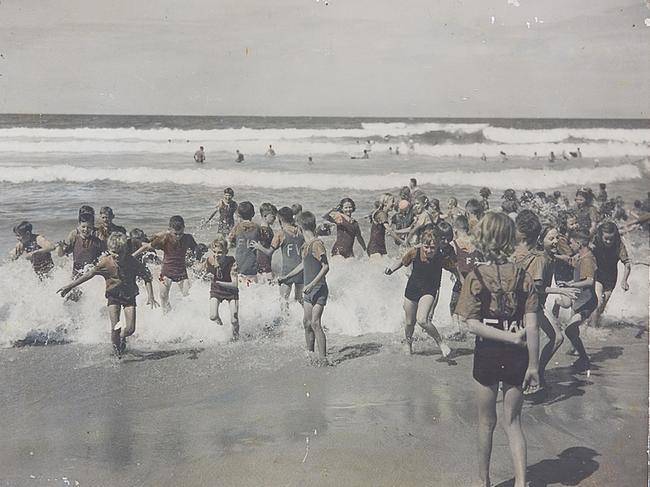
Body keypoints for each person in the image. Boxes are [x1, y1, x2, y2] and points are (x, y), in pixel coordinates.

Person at [455, 212, 540, 487]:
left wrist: (504, 336)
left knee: (485, 422)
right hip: (519, 354)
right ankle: (521, 482)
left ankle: (484, 482)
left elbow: (472, 324)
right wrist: (534, 366)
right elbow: (533, 326)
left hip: (489, 352)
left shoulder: (476, 276)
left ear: (483, 238)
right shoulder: (523, 276)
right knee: (513, 422)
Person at [57, 232, 158, 356]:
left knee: (130, 329)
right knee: (115, 328)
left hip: (129, 297)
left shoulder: (132, 262)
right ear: (109, 250)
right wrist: (69, 286)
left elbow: (147, 277)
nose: (116, 256)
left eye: (119, 253)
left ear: (126, 250)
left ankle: (121, 337)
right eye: (113, 252)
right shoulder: (105, 262)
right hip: (113, 296)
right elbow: (89, 274)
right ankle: (117, 354)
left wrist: (151, 296)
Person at [513, 211, 578, 389]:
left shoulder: (547, 256)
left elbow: (549, 256)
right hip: (529, 306)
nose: (556, 241)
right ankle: (530, 376)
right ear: (541, 241)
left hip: (535, 305)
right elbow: (537, 287)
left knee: (556, 338)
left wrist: (562, 257)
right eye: (551, 239)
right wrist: (560, 290)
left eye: (557, 237)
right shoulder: (540, 259)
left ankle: (537, 372)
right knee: (550, 339)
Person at [384, 228, 454, 357]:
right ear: (422, 244)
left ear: (437, 245)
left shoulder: (441, 256)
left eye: (432, 247)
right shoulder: (414, 252)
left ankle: (441, 343)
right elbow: (401, 261)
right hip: (413, 289)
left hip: (429, 290)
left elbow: (454, 267)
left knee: (422, 320)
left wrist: (462, 279)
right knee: (410, 322)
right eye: (426, 247)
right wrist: (391, 269)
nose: (429, 250)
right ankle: (408, 344)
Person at [278, 211, 330, 364]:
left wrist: (312, 284)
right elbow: (303, 265)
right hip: (309, 290)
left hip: (318, 288)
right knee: (306, 323)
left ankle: (323, 358)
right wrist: (286, 277)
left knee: (315, 323)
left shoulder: (316, 244)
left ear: (300, 227)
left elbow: (326, 267)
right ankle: (310, 354)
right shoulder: (305, 246)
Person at [551, 230, 598, 370]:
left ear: (578, 244)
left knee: (570, 330)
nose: (570, 245)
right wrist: (570, 282)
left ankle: (584, 358)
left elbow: (589, 281)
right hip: (581, 301)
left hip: (587, 303)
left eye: (571, 243)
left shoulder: (587, 259)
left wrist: (571, 284)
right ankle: (581, 356)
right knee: (572, 330)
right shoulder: (583, 257)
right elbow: (580, 278)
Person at [144, 215, 198, 313]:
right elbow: (147, 243)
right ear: (170, 230)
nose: (178, 236)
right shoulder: (165, 238)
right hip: (165, 273)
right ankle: (166, 315)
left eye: (180, 233)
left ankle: (188, 316)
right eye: (175, 234)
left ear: (184, 228)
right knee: (163, 296)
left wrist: (198, 260)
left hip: (181, 273)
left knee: (188, 297)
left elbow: (196, 250)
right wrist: (133, 255)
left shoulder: (188, 238)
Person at [258, 207, 305, 312]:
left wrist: (258, 246)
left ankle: (286, 325)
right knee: (299, 298)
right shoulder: (300, 230)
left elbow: (269, 252)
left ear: (280, 219)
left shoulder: (281, 233)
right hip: (301, 269)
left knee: (284, 300)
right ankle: (308, 317)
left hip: (287, 271)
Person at [589, 222, 631, 328]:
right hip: (597, 274)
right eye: (606, 238)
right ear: (600, 235)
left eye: (611, 239)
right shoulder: (596, 240)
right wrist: (589, 245)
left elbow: (627, 264)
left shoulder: (618, 245)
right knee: (598, 302)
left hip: (610, 279)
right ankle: (593, 331)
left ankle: (593, 322)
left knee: (602, 306)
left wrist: (624, 280)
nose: (609, 241)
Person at [58, 212, 106, 287]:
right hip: (76, 274)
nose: (86, 229)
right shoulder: (75, 238)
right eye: (83, 227)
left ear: (93, 226)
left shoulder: (97, 241)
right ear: (79, 225)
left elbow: (105, 256)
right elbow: (61, 254)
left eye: (89, 227)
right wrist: (60, 247)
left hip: (92, 276)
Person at [204, 238, 239, 340]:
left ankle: (236, 338)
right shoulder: (209, 260)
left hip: (231, 291)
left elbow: (235, 284)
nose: (216, 255)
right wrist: (206, 277)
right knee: (213, 316)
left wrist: (218, 282)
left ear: (226, 252)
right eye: (214, 252)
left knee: (234, 320)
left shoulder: (232, 262)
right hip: (216, 291)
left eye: (220, 252)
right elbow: (201, 273)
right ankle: (223, 329)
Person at [227, 201, 261, 284]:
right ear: (253, 214)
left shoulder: (237, 227)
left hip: (240, 262)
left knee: (240, 285)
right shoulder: (257, 227)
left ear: (239, 215)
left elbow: (229, 241)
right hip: (252, 263)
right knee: (252, 285)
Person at [254, 203, 277, 281]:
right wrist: (258, 247)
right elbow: (264, 248)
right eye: (273, 216)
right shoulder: (265, 230)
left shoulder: (263, 229)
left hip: (262, 263)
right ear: (265, 216)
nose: (275, 218)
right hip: (264, 264)